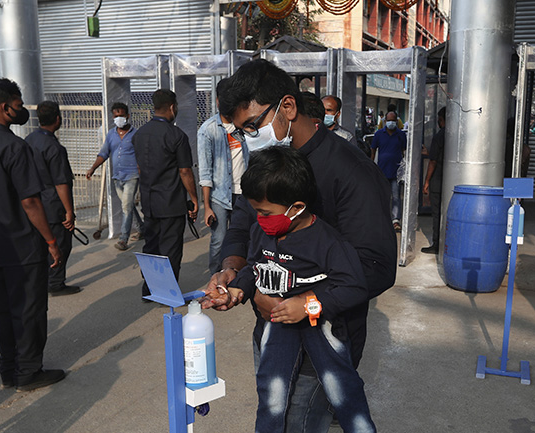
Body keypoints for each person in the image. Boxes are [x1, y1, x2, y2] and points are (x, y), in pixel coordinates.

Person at [203, 59, 396, 433]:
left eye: (252, 126)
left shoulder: (350, 172)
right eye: (240, 131)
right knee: (272, 415)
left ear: (287, 108)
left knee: (298, 423)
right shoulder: (265, 163)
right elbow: (244, 222)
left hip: (326, 336)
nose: (248, 138)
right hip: (272, 328)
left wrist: (304, 302)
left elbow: (375, 267)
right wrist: (233, 271)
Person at [225, 146, 376, 433]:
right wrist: (238, 290)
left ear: (296, 208)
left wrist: (307, 306)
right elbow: (255, 267)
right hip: (278, 327)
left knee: (343, 392)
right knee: (272, 396)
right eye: (256, 211)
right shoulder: (263, 231)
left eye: (265, 212)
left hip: (322, 328)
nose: (259, 219)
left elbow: (354, 286)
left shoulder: (328, 242)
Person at [0, 78, 65, 392]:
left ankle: (8, 369)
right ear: (5, 108)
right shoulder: (15, 147)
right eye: (19, 107)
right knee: (29, 309)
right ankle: (29, 371)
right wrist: (50, 241)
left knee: (2, 309)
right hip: (21, 245)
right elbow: (30, 201)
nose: (21, 113)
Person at [133, 89, 199, 298]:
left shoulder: (140, 134)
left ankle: (149, 289)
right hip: (170, 201)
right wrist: (194, 199)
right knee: (170, 248)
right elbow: (185, 171)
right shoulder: (176, 135)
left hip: (149, 200)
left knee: (151, 245)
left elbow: (140, 167)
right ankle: (166, 293)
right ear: (172, 107)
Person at [25, 101, 83, 297]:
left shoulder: (29, 140)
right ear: (58, 119)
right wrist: (69, 211)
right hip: (52, 203)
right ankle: (56, 283)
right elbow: (61, 183)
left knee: (40, 243)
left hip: (33, 201)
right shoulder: (54, 148)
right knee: (60, 244)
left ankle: (41, 279)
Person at [197, 78, 248, 273]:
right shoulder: (208, 130)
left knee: (243, 238)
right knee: (219, 240)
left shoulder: (244, 126)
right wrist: (207, 206)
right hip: (219, 196)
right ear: (218, 101)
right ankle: (215, 277)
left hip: (244, 193)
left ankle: (241, 276)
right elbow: (205, 171)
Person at [86, 102, 143, 251]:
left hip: (132, 175)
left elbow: (142, 154)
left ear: (128, 116)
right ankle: (143, 229)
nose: (119, 118)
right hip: (117, 177)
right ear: (113, 117)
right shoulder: (111, 134)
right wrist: (92, 168)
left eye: (121, 116)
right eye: (116, 116)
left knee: (126, 206)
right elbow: (104, 153)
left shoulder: (135, 134)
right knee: (128, 205)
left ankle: (123, 239)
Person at [371, 111, 407, 232]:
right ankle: (383, 219)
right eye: (389, 120)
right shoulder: (379, 134)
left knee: (396, 196)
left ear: (397, 121)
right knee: (383, 196)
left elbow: (404, 151)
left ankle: (395, 220)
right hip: (382, 170)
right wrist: (371, 166)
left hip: (396, 172)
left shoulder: (401, 135)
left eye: (393, 120)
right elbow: (373, 150)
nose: (391, 122)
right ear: (385, 121)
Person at [422, 107, 446, 254]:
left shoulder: (439, 136)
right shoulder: (456, 134)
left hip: (437, 179)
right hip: (451, 180)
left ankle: (437, 244)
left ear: (441, 119)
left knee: (437, 213)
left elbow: (433, 162)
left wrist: (426, 182)